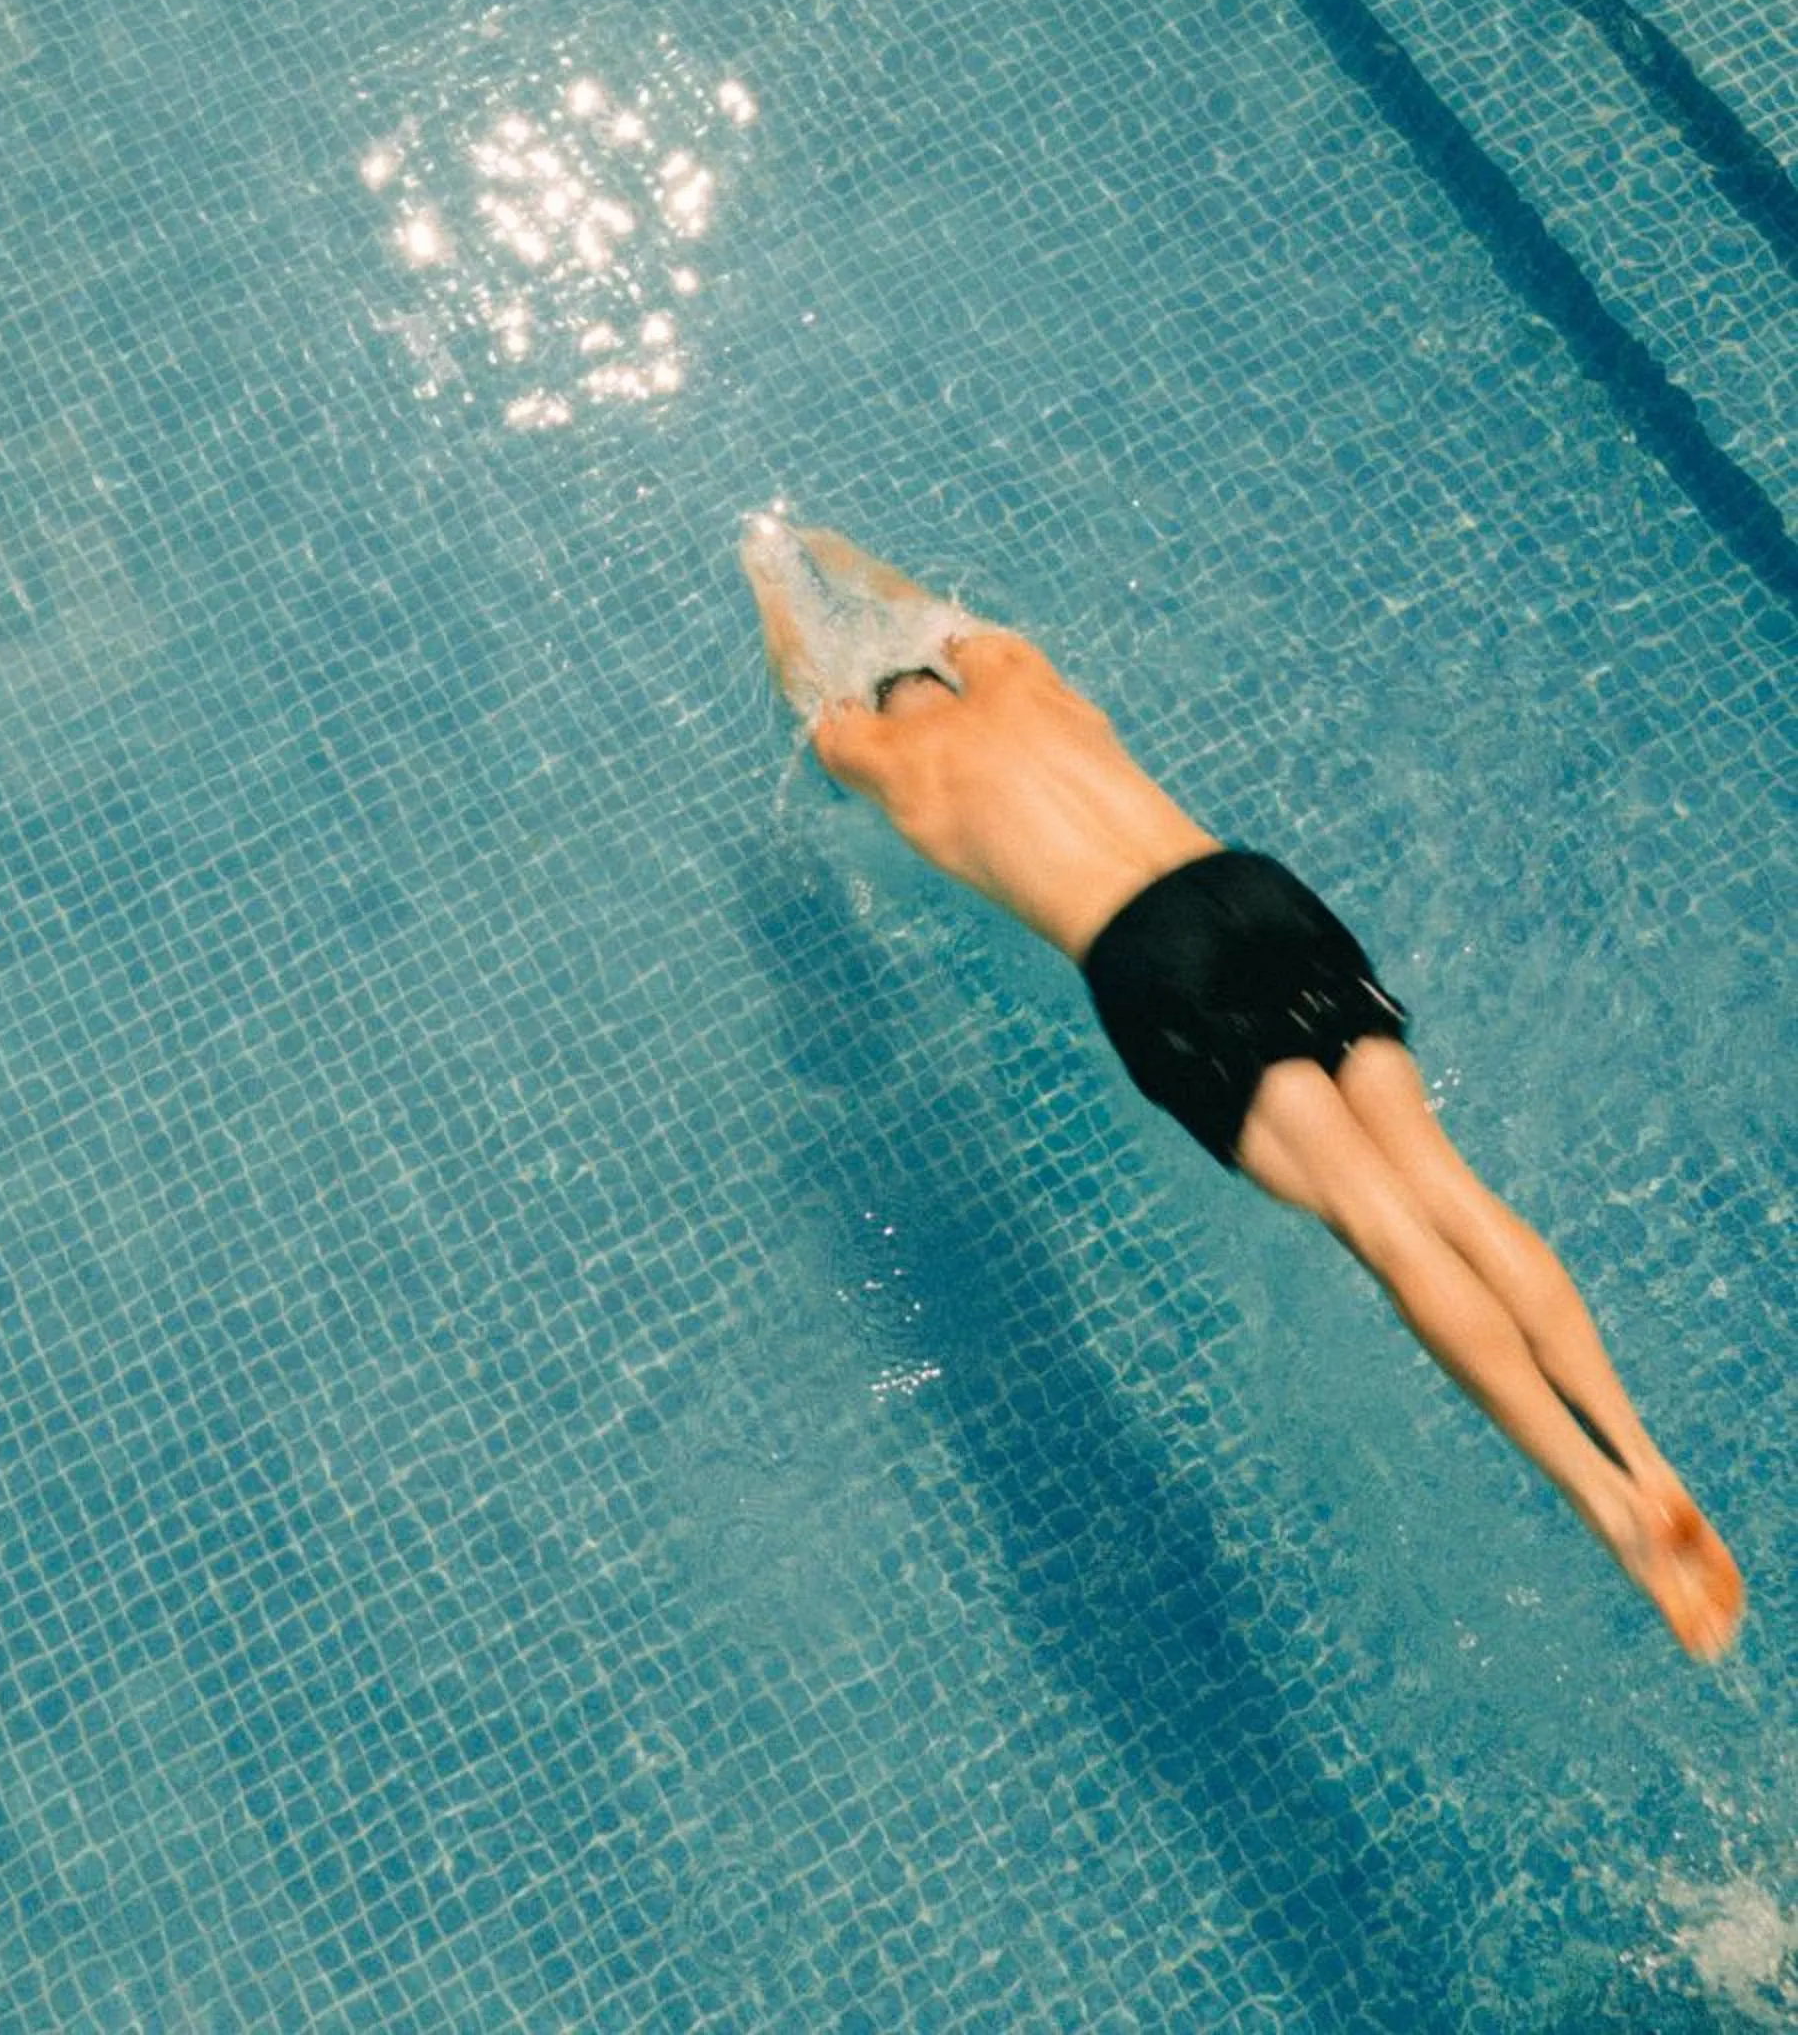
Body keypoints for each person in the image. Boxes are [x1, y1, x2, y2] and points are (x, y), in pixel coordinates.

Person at [741, 518, 1744, 1662]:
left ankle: (1605, 1505)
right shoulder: (1026, 678)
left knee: (1383, 1225)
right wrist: (826, 541)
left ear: (890, 707)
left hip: (1153, 957)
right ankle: (1643, 1458)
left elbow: (811, 695)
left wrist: (768, 571)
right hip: (1254, 894)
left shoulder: (892, 765)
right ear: (946, 669)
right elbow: (930, 611)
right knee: (1443, 1187)